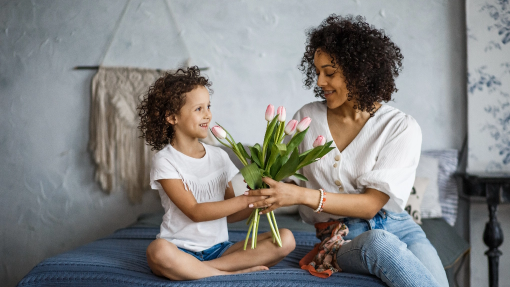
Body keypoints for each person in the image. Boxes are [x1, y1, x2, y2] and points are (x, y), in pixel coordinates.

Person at [246, 15, 449, 287]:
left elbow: (369, 205)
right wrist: (267, 185)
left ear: (358, 72)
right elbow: (288, 179)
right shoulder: (306, 118)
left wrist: (300, 195)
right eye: (317, 71)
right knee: (378, 243)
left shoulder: (400, 126)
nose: (319, 81)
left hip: (404, 230)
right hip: (341, 237)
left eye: (329, 73)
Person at [138, 66, 296, 281]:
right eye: (198, 109)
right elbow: (195, 211)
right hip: (179, 249)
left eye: (208, 106)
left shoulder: (219, 156)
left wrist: (258, 202)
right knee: (157, 251)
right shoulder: (165, 160)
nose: (208, 114)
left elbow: (230, 214)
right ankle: (225, 272)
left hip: (221, 250)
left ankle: (202, 270)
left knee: (286, 239)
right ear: (172, 117)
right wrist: (246, 199)